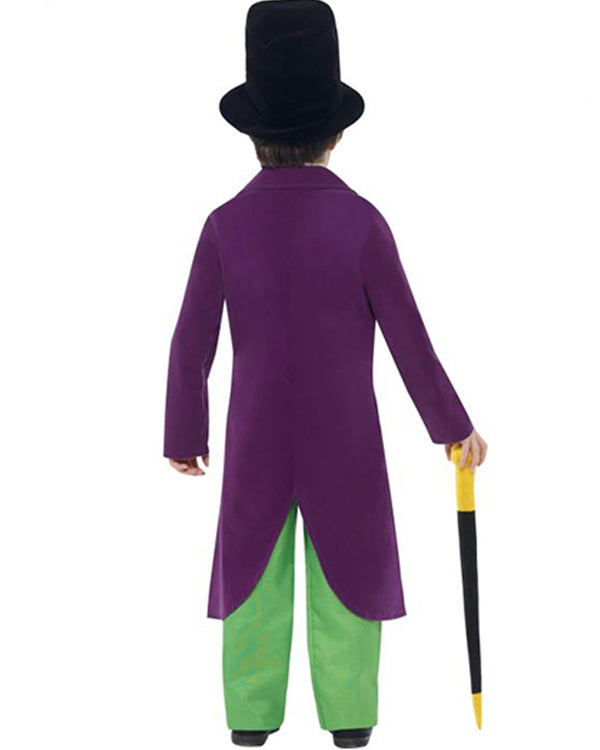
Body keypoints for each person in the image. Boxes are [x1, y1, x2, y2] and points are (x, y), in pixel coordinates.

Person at [163, 1, 487, 747]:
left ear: (252, 135)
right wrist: (453, 427)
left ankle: (250, 721)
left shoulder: (224, 224)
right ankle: (348, 721)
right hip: (346, 438)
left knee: (253, 571)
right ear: (338, 134)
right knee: (351, 567)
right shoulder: (362, 222)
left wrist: (185, 431)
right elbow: (409, 341)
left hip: (254, 435)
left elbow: (190, 342)